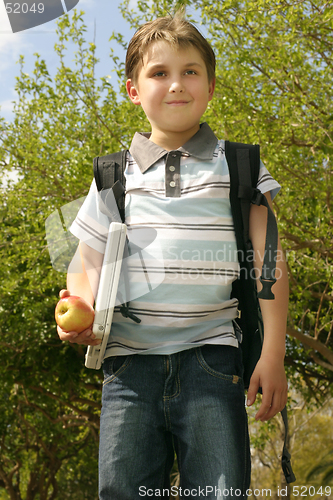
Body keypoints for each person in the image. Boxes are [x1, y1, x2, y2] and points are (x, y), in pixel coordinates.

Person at [57, 11, 288, 500]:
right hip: (128, 368)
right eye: (159, 73)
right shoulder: (113, 176)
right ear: (134, 91)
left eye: (190, 71)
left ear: (210, 86)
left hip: (213, 360)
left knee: (219, 492)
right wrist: (77, 312)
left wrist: (271, 353)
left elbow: (270, 263)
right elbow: (88, 262)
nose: (176, 84)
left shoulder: (241, 164)